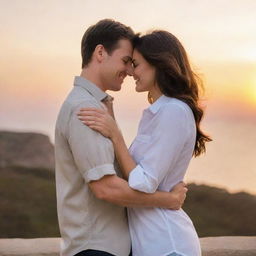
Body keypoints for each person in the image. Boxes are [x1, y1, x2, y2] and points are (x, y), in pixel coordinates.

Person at [55, 20, 188, 256]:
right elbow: (106, 189)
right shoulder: (85, 108)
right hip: (96, 248)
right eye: (127, 61)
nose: (129, 71)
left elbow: (124, 172)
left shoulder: (99, 107)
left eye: (133, 64)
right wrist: (168, 200)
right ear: (100, 53)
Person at [78, 30, 212, 256]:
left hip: (168, 244)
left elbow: (143, 182)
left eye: (136, 64)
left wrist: (116, 135)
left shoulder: (173, 111)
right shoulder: (159, 112)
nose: (130, 72)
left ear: (158, 64)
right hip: (149, 245)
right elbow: (132, 173)